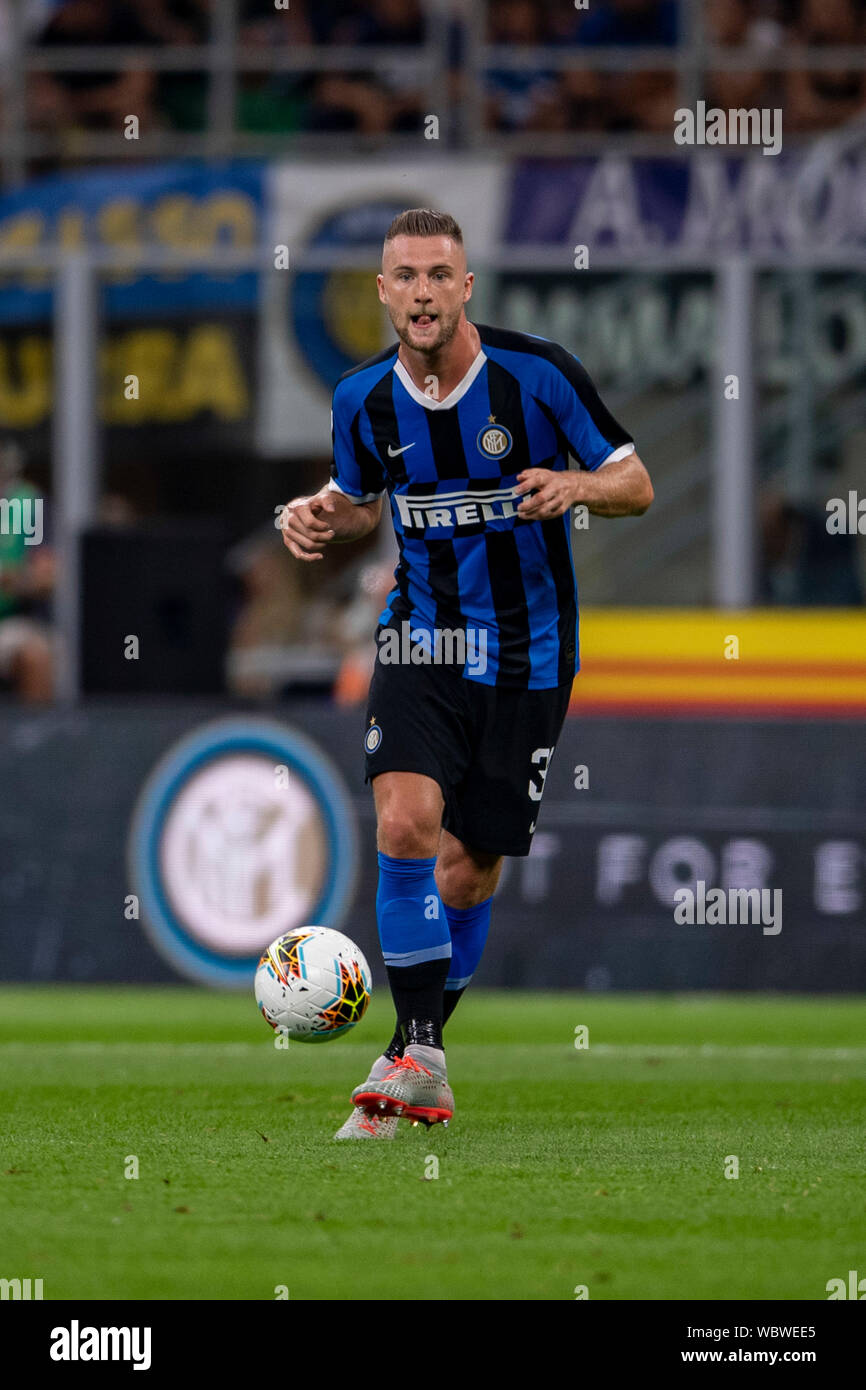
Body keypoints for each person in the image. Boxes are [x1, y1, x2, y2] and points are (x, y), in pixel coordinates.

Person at [280, 208, 653, 1139]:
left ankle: (415, 1057)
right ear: (382, 291)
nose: (422, 293)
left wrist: (576, 487)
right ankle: (415, 1052)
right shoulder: (361, 398)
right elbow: (363, 504)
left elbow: (636, 482)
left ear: (467, 286)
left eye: (440, 276)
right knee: (406, 822)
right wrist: (318, 513)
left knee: (472, 865)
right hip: (421, 638)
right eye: (405, 276)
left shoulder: (538, 374)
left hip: (528, 656)